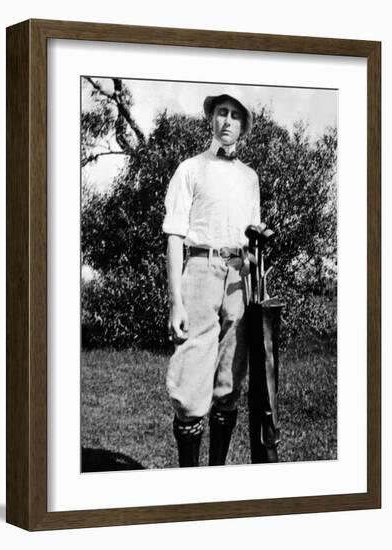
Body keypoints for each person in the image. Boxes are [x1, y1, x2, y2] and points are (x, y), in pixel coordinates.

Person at [162, 92, 260, 467]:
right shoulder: (191, 169)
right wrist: (176, 302)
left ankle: (215, 475)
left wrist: (250, 261)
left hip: (238, 278)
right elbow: (174, 235)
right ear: (212, 119)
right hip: (200, 271)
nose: (227, 121)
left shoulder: (250, 178)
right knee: (190, 383)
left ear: (243, 126)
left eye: (235, 115)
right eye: (222, 112)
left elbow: (251, 235)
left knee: (229, 382)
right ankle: (190, 476)